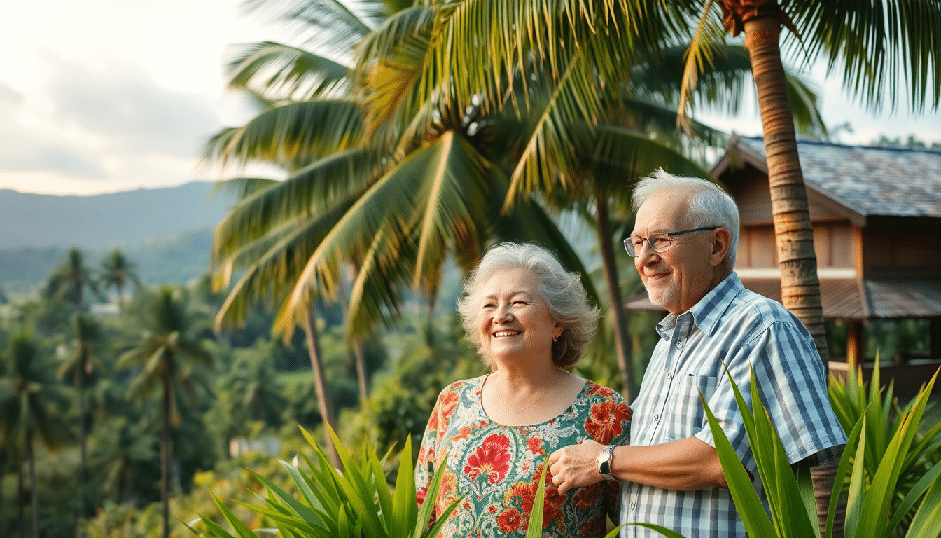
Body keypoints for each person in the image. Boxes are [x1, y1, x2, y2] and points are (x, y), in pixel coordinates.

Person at [548, 170, 847, 537]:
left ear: (717, 245)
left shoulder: (761, 327)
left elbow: (722, 459)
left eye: (660, 240)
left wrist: (603, 460)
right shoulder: (669, 341)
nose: (644, 259)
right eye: (637, 242)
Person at [415, 242, 632, 537]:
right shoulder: (452, 401)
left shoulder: (603, 411)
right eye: (489, 305)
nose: (501, 315)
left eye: (518, 302)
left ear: (558, 322)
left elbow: (635, 520)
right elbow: (422, 513)